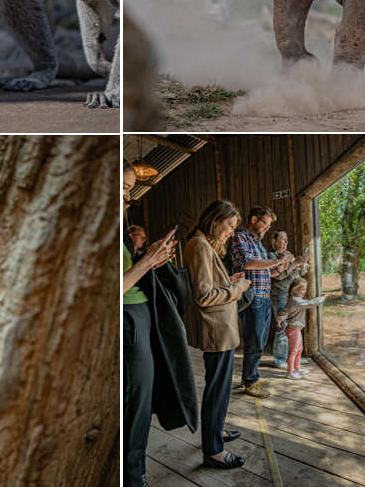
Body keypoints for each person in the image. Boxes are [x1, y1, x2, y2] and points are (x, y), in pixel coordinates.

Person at [124, 163, 193, 487]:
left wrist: (150, 258)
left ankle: (136, 470)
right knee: (135, 403)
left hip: (140, 314)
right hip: (127, 320)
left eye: (130, 189)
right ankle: (132, 476)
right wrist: (148, 261)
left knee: (143, 397)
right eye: (124, 187)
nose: (128, 196)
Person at [183, 200, 253, 470]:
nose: (232, 232)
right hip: (216, 329)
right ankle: (213, 450)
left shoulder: (203, 243)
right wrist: (237, 290)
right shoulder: (199, 244)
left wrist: (229, 282)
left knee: (221, 387)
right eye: (230, 225)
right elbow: (203, 296)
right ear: (215, 220)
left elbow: (211, 286)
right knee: (217, 389)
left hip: (222, 328)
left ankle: (217, 429)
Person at [227, 206, 291, 397]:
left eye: (269, 225)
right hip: (252, 297)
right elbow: (248, 263)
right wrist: (276, 262)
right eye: (265, 223)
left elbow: (266, 272)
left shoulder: (258, 243)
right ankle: (250, 381)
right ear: (254, 219)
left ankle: (248, 376)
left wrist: (283, 265)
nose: (266, 228)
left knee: (260, 342)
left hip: (264, 298)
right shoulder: (240, 238)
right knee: (254, 341)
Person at [268, 231, 310, 369]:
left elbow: (298, 274)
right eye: (282, 239)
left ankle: (292, 356)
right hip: (279, 294)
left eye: (287, 240)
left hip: (292, 296)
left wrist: (302, 264)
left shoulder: (290, 255)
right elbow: (277, 276)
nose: (286, 242)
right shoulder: (271, 256)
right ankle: (280, 359)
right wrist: (294, 263)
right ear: (274, 241)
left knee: (292, 326)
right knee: (283, 326)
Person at [276, 279, 327, 379]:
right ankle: (290, 372)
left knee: (299, 349)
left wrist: (279, 320)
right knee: (293, 351)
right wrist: (322, 298)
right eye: (302, 289)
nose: (304, 291)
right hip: (293, 329)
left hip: (295, 329)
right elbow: (310, 303)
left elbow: (284, 311)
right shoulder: (296, 300)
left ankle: (297, 368)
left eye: (305, 289)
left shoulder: (293, 299)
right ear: (294, 290)